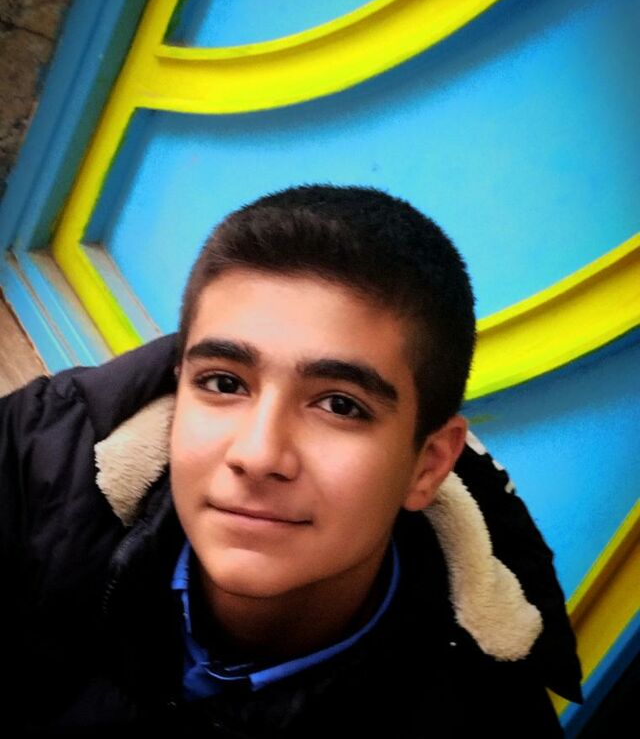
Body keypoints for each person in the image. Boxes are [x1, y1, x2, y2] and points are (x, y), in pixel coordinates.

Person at [1, 184, 581, 737]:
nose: (258, 456)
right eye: (224, 383)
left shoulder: (482, 718)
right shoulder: (39, 457)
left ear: (427, 467)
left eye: (340, 405)